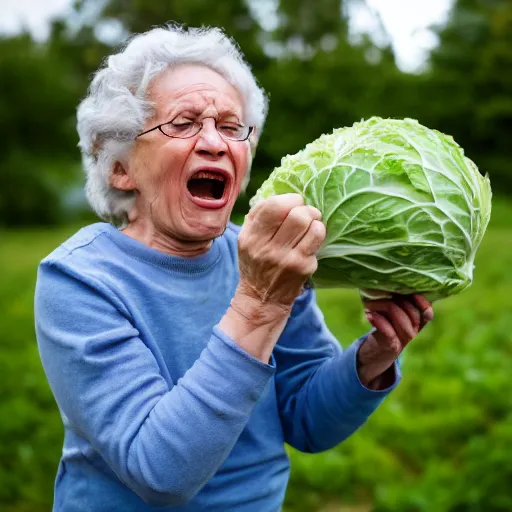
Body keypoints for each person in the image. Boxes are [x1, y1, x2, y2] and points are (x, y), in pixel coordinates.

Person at [34, 24, 434, 512]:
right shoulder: (79, 280)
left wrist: (372, 359)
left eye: (231, 126)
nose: (215, 142)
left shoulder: (264, 256)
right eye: (183, 123)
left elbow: (305, 419)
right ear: (121, 167)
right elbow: (159, 472)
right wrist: (260, 302)